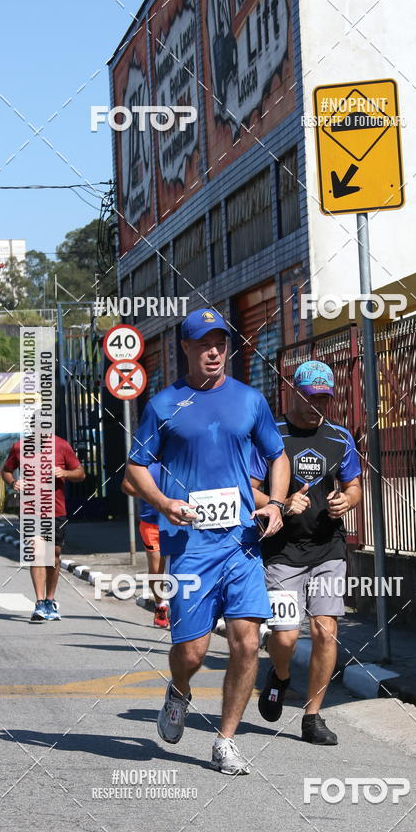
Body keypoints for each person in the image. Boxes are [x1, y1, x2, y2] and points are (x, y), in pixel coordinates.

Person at [124, 308, 290, 775]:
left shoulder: (249, 400)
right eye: (203, 343)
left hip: (241, 542)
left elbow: (277, 456)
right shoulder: (164, 405)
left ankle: (225, 740)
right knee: (193, 651)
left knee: (245, 641)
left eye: (219, 341)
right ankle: (179, 689)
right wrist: (163, 501)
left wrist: (275, 503)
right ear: (187, 348)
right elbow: (136, 466)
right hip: (189, 543)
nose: (213, 350)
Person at [250, 361, 362, 746]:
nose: (317, 405)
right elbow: (249, 490)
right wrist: (279, 504)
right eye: (310, 396)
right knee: (285, 636)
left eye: (324, 398)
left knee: (325, 631)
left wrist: (345, 501)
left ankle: (313, 717)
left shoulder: (339, 437)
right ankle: (280, 675)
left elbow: (354, 487)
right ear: (293, 392)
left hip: (328, 547)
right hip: (281, 552)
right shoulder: (271, 435)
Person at [2, 433, 85, 623]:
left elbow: (80, 473)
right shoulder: (19, 447)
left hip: (56, 511)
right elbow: (5, 470)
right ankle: (39, 602)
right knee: (37, 553)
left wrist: (65, 473)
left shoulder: (62, 445)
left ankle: (50, 600)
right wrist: (13, 482)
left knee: (53, 556)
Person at [122, 460, 169, 629]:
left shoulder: (179, 455)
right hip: (151, 523)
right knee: (157, 568)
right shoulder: (144, 462)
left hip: (179, 522)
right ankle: (161, 606)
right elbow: (126, 486)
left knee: (183, 566)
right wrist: (148, 493)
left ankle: (182, 610)